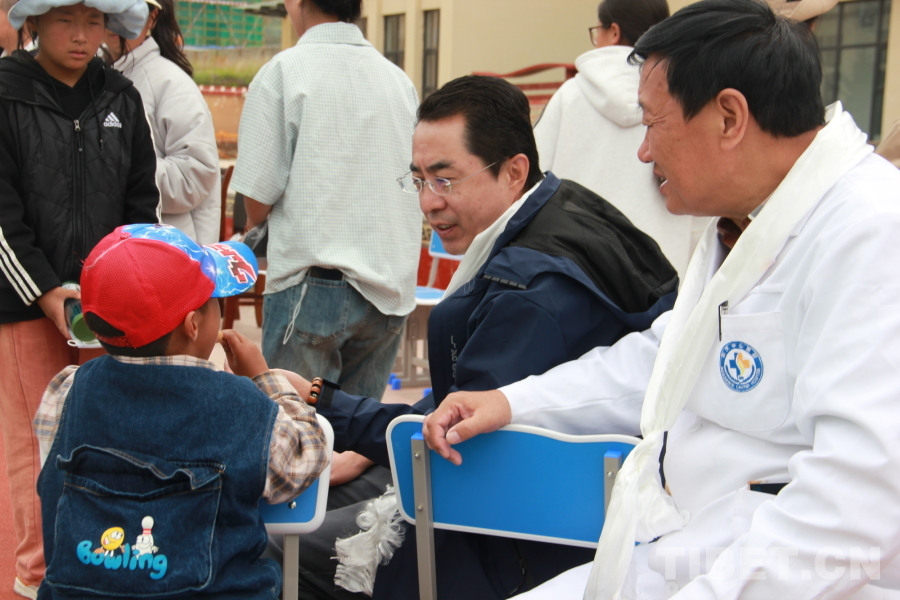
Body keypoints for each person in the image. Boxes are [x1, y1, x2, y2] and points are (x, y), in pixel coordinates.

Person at [424, 1, 900, 598]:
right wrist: (512, 402)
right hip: (692, 547)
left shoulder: (871, 232)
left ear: (729, 117)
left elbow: (854, 503)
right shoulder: (748, 223)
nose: (643, 153)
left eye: (653, 125)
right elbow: (669, 357)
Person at [282, 75, 678, 600]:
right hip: (540, 500)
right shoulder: (568, 207)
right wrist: (366, 443)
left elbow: (457, 431)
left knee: (278, 542)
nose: (428, 203)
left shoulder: (530, 293)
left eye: (445, 180)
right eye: (418, 180)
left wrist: (317, 398)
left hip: (509, 532)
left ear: (514, 171)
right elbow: (471, 392)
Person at [33, 223, 329, 599]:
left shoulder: (68, 390)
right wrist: (264, 379)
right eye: (214, 299)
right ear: (193, 325)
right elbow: (305, 458)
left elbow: (52, 464)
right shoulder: (241, 405)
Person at [0, 0, 159, 595]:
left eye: (94, 21)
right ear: (35, 21)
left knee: (110, 437)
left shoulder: (122, 97)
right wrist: (46, 291)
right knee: (32, 442)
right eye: (66, 19)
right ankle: (35, 577)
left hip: (108, 307)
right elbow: (2, 215)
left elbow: (141, 207)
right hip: (24, 303)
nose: (81, 35)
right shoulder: (5, 92)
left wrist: (127, 288)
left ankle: (101, 570)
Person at [231, 0, 420, 402]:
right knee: (356, 431)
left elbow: (258, 198)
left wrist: (251, 226)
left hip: (312, 284)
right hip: (389, 287)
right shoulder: (399, 80)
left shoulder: (284, 71)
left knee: (294, 427)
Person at [534, 0, 705, 278]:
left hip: (577, 272)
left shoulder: (570, 96)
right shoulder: (684, 97)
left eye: (597, 31)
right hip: (665, 277)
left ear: (614, 31)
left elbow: (533, 181)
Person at [105, 0, 221, 245]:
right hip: (123, 245)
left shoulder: (172, 84)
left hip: (169, 248)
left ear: (152, 18)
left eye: (128, 10)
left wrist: (115, 167)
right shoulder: (97, 77)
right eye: (109, 8)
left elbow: (195, 177)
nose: (116, 19)